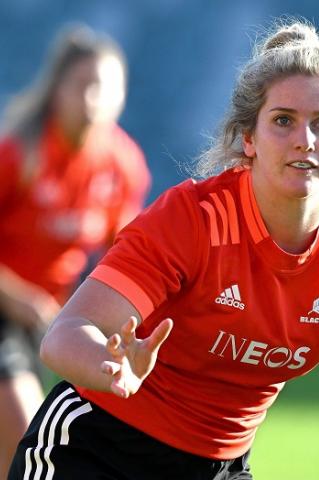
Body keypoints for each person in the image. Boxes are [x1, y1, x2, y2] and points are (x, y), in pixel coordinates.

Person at [8, 18, 319, 480]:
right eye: (283, 120)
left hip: (219, 466)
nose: (304, 139)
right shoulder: (194, 220)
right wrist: (106, 365)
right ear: (248, 139)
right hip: (98, 447)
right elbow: (66, 337)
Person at [0, 24, 150, 478]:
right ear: (56, 88)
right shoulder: (19, 154)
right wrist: (20, 298)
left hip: (54, 319)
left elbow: (124, 257)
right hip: (8, 312)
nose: (92, 100)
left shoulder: (121, 164)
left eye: (104, 88)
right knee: (24, 431)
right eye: (82, 85)